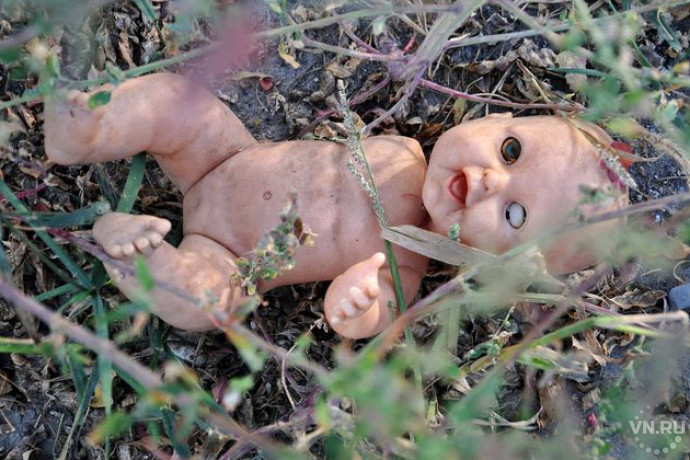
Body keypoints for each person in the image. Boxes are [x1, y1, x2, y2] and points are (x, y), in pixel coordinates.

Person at [44, 73, 629, 339]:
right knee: (181, 102)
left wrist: (356, 304)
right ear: (497, 117)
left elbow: (362, 323)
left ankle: (139, 257)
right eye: (509, 150)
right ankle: (90, 131)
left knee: (206, 304)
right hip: (224, 156)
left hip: (231, 256)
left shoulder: (404, 266)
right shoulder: (402, 147)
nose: (487, 181)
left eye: (513, 215)